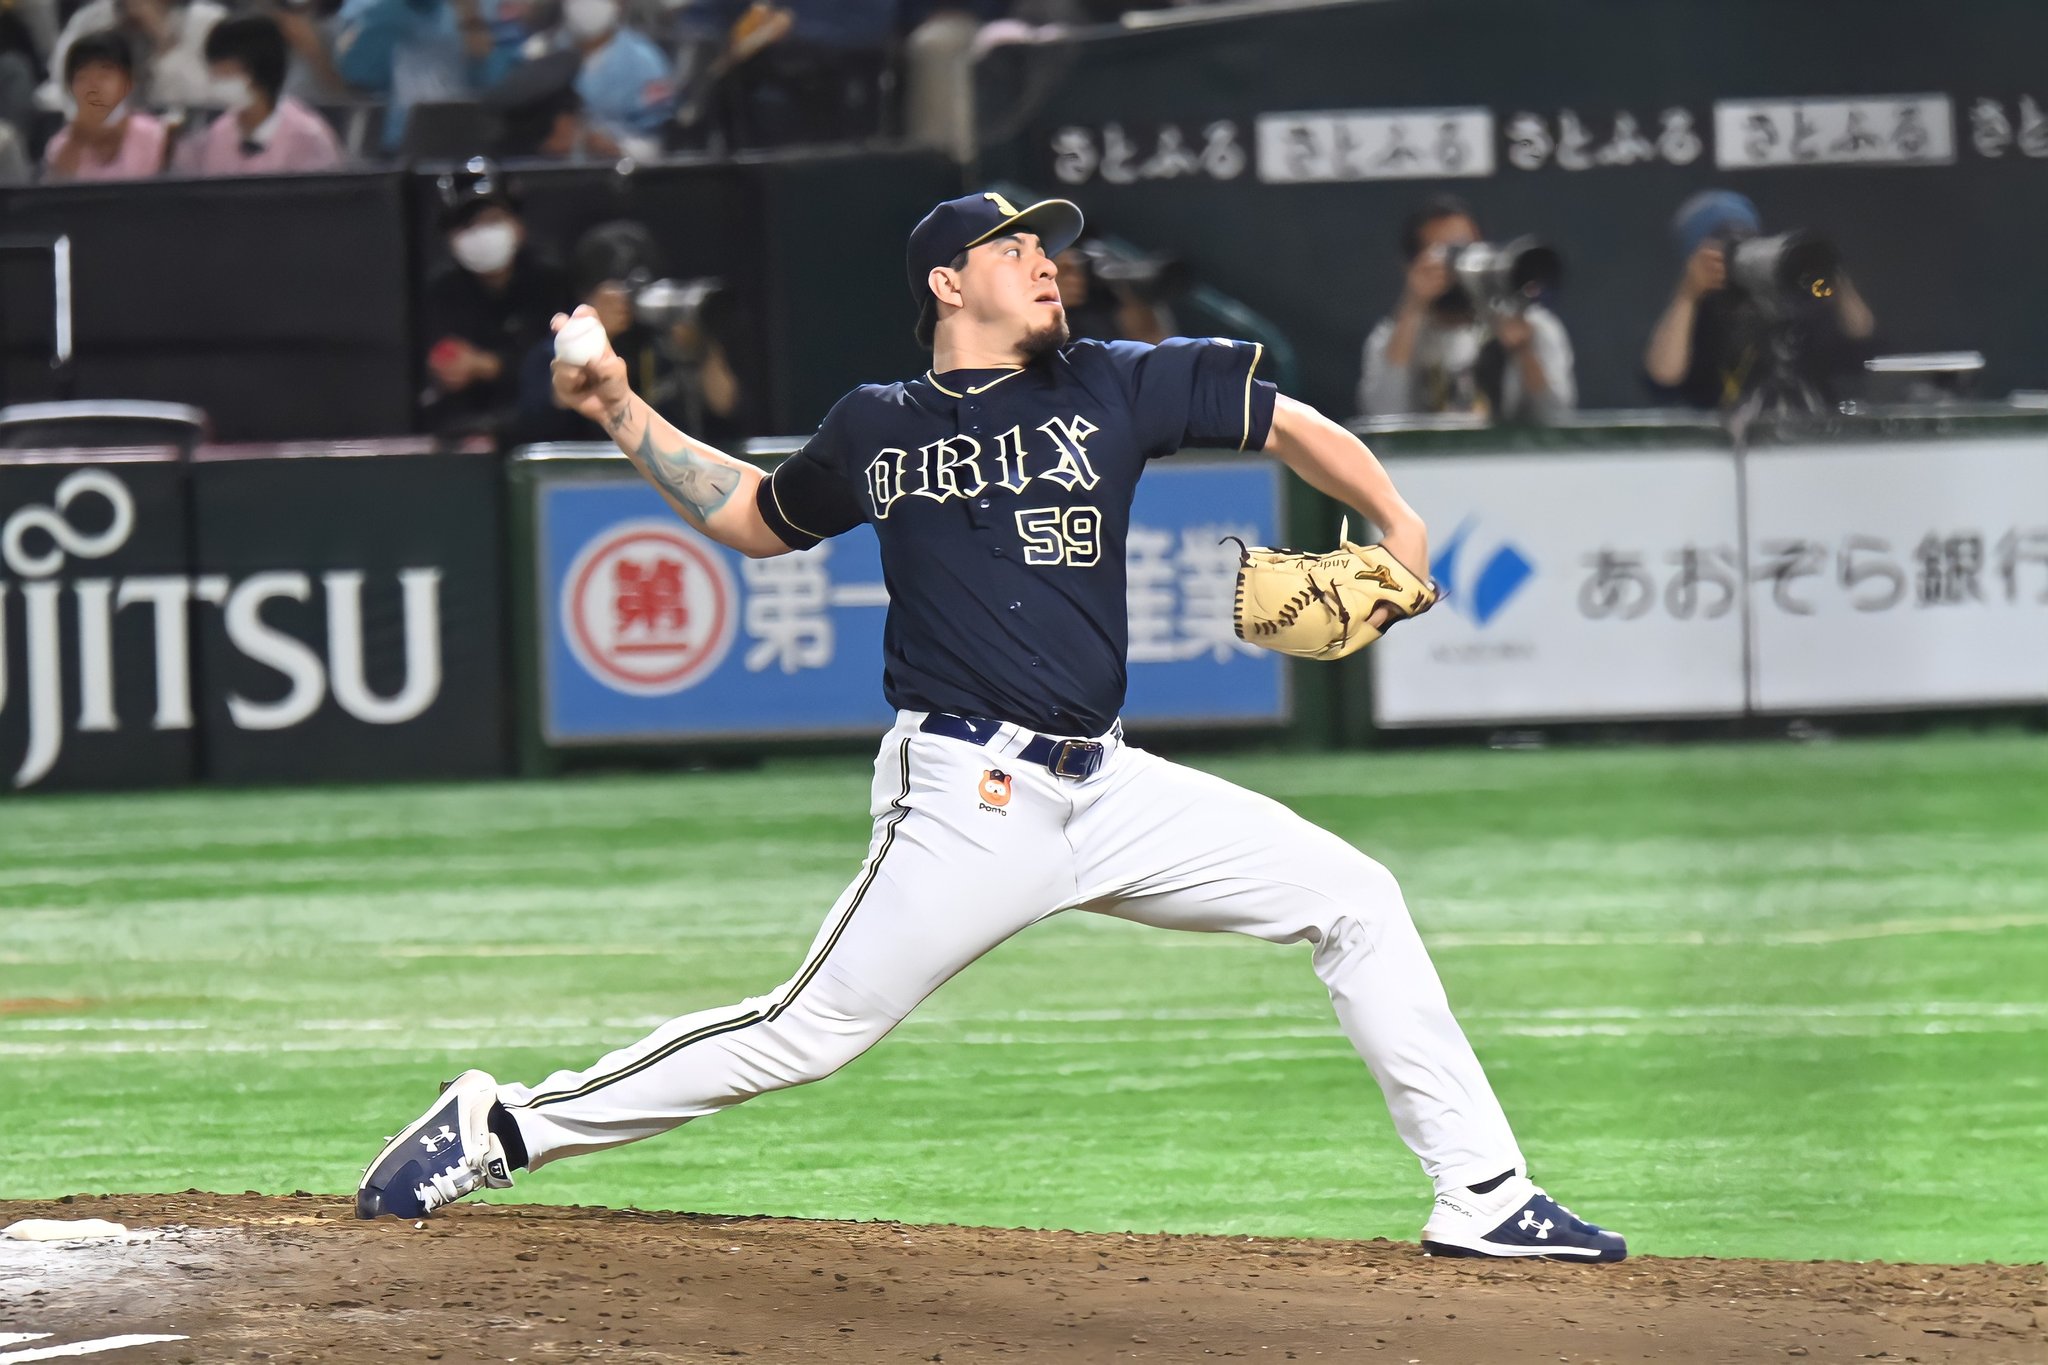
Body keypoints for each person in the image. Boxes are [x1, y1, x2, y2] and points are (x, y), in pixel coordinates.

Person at [356, 189, 1629, 1265]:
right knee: (805, 1032)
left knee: (1354, 898)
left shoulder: (1113, 385)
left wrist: (1395, 524)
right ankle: (502, 1125)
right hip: (965, 796)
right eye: (1017, 247)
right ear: (946, 280)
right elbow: (751, 517)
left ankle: (1482, 1194)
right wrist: (620, 412)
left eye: (1049, 248)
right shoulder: (877, 423)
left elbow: (1283, 420)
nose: (1045, 262)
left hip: (1112, 787)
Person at [1643, 189, 1877, 412]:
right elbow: (1664, 378)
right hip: (1725, 444)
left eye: (1744, 239)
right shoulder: (1694, 317)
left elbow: (1862, 346)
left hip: (1812, 441)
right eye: (1720, 245)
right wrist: (1687, 296)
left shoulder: (1792, 297)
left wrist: (1829, 275)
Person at [1357, 195, 1574, 424]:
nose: (1459, 263)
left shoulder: (1532, 326)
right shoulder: (1393, 338)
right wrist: (1412, 306)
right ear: (1413, 266)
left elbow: (1556, 419)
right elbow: (1382, 416)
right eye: (1444, 254)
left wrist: (1525, 352)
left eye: (1467, 248)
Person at [419, 158, 568, 434]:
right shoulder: (442, 292)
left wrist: (486, 365)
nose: (482, 234)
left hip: (543, 426)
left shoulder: (551, 281)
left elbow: (559, 364)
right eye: (468, 226)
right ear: (450, 239)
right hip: (466, 431)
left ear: (518, 226)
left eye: (493, 220)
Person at [174, 14, 344, 173]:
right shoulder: (216, 135)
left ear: (256, 72)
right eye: (215, 71)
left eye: (226, 73)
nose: (215, 79)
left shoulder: (307, 136)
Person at [41, 0, 228, 110]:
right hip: (109, 132)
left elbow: (204, 99)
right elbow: (60, 79)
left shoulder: (206, 21)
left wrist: (162, 36)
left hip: (186, 135)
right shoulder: (92, 19)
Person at [40, 29, 168, 179]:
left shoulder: (154, 135)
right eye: (82, 78)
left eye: (104, 76)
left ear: (128, 81)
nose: (93, 87)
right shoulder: (59, 146)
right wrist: (76, 141)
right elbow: (57, 196)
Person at [552, 0, 672, 151]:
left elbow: (658, 139)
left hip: (623, 168)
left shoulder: (645, 60)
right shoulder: (548, 50)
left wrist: (618, 149)